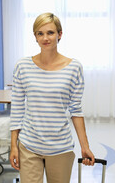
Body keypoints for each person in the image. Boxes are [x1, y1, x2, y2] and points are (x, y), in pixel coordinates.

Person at [9, 12, 95, 183]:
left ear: (59, 34)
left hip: (60, 147)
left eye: (50, 32)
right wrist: (13, 146)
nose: (45, 38)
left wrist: (85, 147)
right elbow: (17, 108)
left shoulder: (74, 67)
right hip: (29, 145)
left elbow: (76, 110)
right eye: (40, 33)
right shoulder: (22, 66)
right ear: (35, 37)